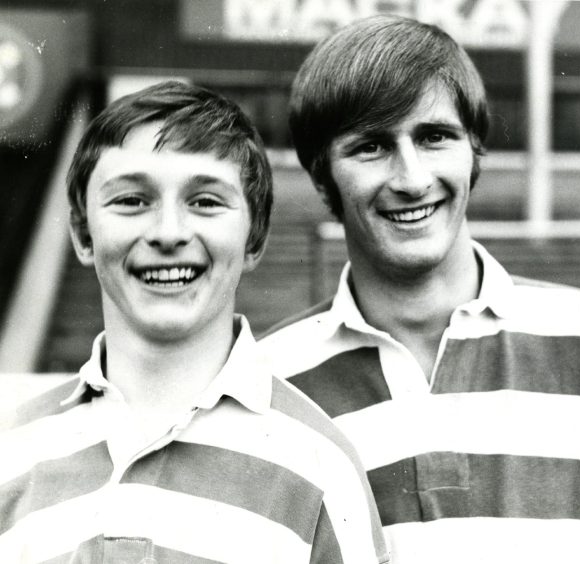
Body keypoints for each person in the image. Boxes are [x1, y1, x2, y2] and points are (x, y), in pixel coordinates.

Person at [259, 15, 580, 564]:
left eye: (434, 137)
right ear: (321, 173)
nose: (411, 178)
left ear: (474, 148)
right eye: (371, 147)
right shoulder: (267, 387)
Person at [0, 81, 390, 564]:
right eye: (131, 200)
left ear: (254, 238)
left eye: (205, 201)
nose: (168, 233)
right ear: (82, 233)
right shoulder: (11, 453)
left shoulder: (320, 466)